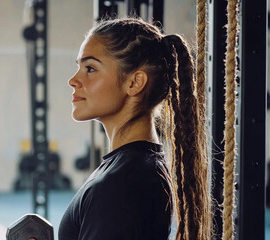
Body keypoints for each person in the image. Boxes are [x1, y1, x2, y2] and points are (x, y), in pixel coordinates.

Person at [59, 17, 211, 240]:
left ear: (134, 83)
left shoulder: (121, 184)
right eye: (79, 68)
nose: (73, 80)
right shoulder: (128, 170)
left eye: (90, 68)